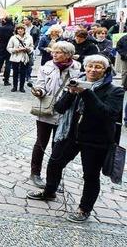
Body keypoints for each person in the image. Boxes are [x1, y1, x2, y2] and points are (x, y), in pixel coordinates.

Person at [27, 54, 124, 223]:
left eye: (98, 67)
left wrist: (86, 93)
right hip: (71, 133)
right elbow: (59, 108)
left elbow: (106, 114)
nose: (93, 70)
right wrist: (71, 93)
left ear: (106, 70)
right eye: (90, 66)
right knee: (55, 163)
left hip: (96, 139)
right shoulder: (76, 82)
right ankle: (50, 191)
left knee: (90, 175)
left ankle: (84, 209)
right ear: (85, 68)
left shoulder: (114, 90)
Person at [28, 41, 80, 188]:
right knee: (41, 143)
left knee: (58, 146)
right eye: (53, 52)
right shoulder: (46, 67)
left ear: (68, 54)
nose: (54, 55)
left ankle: (53, 179)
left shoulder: (77, 67)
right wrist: (38, 91)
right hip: (46, 109)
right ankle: (35, 173)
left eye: (58, 52)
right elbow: (40, 85)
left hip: (65, 112)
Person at [7, 25, 34, 93]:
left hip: (24, 57)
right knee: (15, 73)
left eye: (21, 29)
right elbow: (8, 48)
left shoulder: (29, 37)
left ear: (24, 30)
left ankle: (21, 87)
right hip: (15, 57)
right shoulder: (13, 38)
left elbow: (32, 47)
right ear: (16, 30)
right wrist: (16, 50)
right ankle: (15, 86)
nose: (20, 30)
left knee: (23, 73)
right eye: (18, 29)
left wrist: (28, 49)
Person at [0, 16, 14, 86]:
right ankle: (6, 80)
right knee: (8, 64)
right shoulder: (12, 28)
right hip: (10, 47)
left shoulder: (0, 28)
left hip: (2, 46)